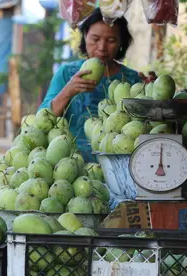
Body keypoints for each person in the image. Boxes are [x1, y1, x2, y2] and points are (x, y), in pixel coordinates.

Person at [38, 8, 156, 162]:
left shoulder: (131, 78)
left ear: (121, 42)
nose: (102, 47)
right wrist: (68, 91)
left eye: (111, 40)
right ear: (85, 36)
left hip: (120, 164)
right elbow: (42, 119)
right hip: (72, 166)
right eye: (95, 39)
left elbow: (144, 126)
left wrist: (152, 91)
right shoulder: (68, 74)